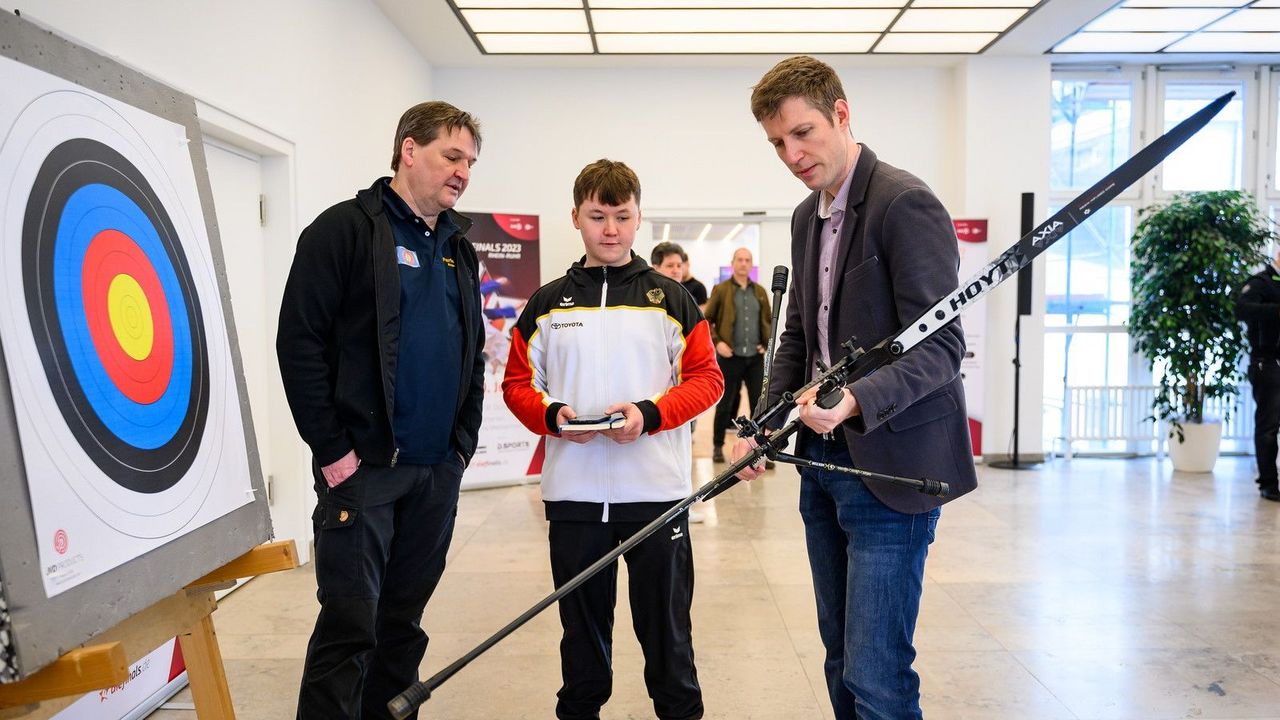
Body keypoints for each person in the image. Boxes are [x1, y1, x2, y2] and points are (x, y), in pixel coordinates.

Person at [731, 56, 978, 720]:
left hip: (894, 471)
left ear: (842, 114)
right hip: (822, 467)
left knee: (876, 672)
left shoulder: (905, 203)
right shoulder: (805, 217)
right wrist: (763, 426)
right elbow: (799, 342)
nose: (792, 154)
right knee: (840, 661)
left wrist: (858, 398)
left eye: (803, 132)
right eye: (778, 142)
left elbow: (943, 347)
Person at [277, 101, 485, 719]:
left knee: (402, 628)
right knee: (350, 630)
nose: (463, 173)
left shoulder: (457, 246)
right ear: (408, 149)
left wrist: (460, 447)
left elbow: (470, 351)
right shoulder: (343, 231)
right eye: (452, 157)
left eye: (470, 162)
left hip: (434, 473)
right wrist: (333, 451)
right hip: (362, 473)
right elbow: (299, 345)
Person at [503, 159, 722, 720]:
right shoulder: (547, 304)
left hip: (656, 496)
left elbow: (707, 381)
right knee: (581, 638)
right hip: (573, 498)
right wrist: (555, 417)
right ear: (575, 216)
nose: (610, 230)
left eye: (622, 217)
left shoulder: (671, 300)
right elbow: (516, 385)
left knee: (667, 637)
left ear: (638, 218)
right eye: (598, 216)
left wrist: (649, 414)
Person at [704, 248, 771, 463]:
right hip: (730, 357)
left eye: (747, 260)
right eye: (740, 260)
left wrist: (765, 343)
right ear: (733, 263)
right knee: (725, 404)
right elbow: (707, 320)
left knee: (759, 406)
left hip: (754, 358)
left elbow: (769, 319)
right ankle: (717, 446)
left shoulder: (759, 291)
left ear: (751, 265)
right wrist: (718, 343)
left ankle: (758, 449)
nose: (743, 263)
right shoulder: (721, 290)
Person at [1236, 248, 1280, 502]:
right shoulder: (1260, 283)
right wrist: (1276, 311)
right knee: (1268, 427)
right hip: (1267, 363)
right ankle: (1268, 484)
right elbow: (1242, 310)